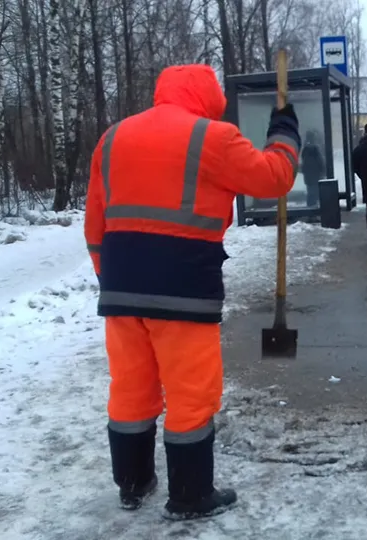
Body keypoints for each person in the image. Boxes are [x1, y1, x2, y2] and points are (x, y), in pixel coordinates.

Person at [84, 64, 299, 519]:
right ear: (208, 99)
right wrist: (284, 130)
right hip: (182, 289)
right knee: (190, 392)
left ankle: (133, 483)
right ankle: (190, 495)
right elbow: (273, 177)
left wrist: (112, 278)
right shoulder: (212, 138)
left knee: (131, 387)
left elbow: (96, 220)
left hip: (122, 288)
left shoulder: (114, 136)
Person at [301, 129, 325, 207]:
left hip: (308, 176)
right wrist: (323, 170)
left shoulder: (305, 148)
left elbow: (304, 162)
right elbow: (320, 161)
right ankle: (313, 212)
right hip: (316, 174)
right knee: (315, 193)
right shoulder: (315, 148)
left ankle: (310, 211)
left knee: (310, 193)